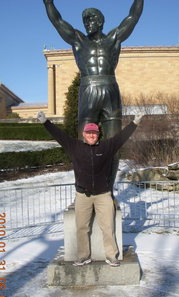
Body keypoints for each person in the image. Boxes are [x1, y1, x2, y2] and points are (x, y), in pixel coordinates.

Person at [43, 0, 144, 189]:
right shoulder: (78, 39)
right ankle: (83, 188)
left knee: (114, 145)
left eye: (91, 19)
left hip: (110, 89)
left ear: (100, 21)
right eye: (85, 20)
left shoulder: (114, 38)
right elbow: (57, 21)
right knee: (83, 147)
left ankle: (108, 190)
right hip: (88, 88)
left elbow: (133, 17)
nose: (87, 23)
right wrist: (48, 2)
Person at [37, 111, 142, 267]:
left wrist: (135, 123)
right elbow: (59, 135)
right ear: (83, 134)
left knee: (108, 227)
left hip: (103, 195)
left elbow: (121, 137)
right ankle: (83, 256)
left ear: (98, 134)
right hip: (83, 195)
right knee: (81, 227)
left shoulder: (107, 147)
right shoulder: (75, 147)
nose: (92, 135)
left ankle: (111, 256)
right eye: (89, 133)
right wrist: (46, 122)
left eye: (94, 133)